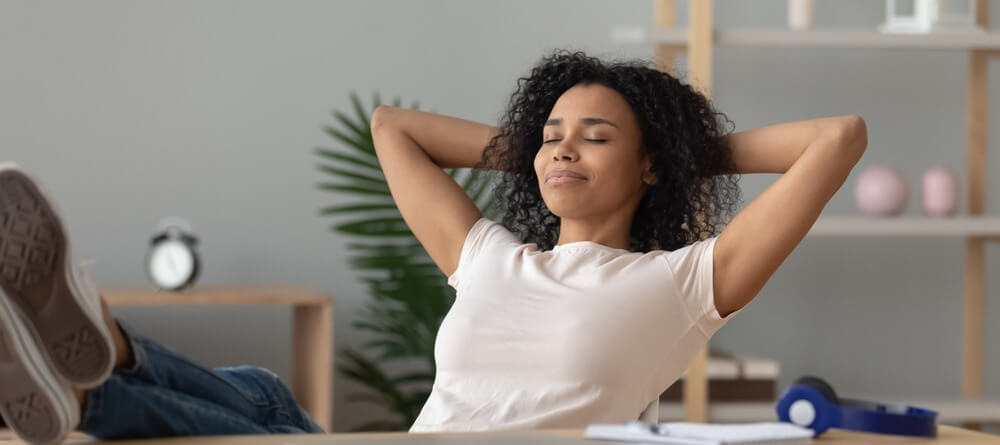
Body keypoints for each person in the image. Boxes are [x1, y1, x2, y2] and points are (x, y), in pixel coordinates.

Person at [0, 49, 866, 443]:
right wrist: (541, 144)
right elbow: (394, 128)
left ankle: (89, 384)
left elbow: (838, 137)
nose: (563, 147)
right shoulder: (493, 256)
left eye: (594, 137)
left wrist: (671, 146)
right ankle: (94, 350)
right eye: (551, 131)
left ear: (648, 169)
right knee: (262, 394)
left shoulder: (682, 283)